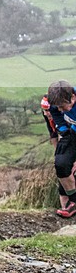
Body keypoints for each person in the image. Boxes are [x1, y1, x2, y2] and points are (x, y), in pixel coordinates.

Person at [46, 81, 76, 218]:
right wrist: (63, 130)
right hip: (72, 133)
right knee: (61, 164)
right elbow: (55, 113)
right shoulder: (53, 102)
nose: (60, 110)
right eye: (57, 107)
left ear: (73, 98)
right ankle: (74, 202)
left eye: (62, 106)